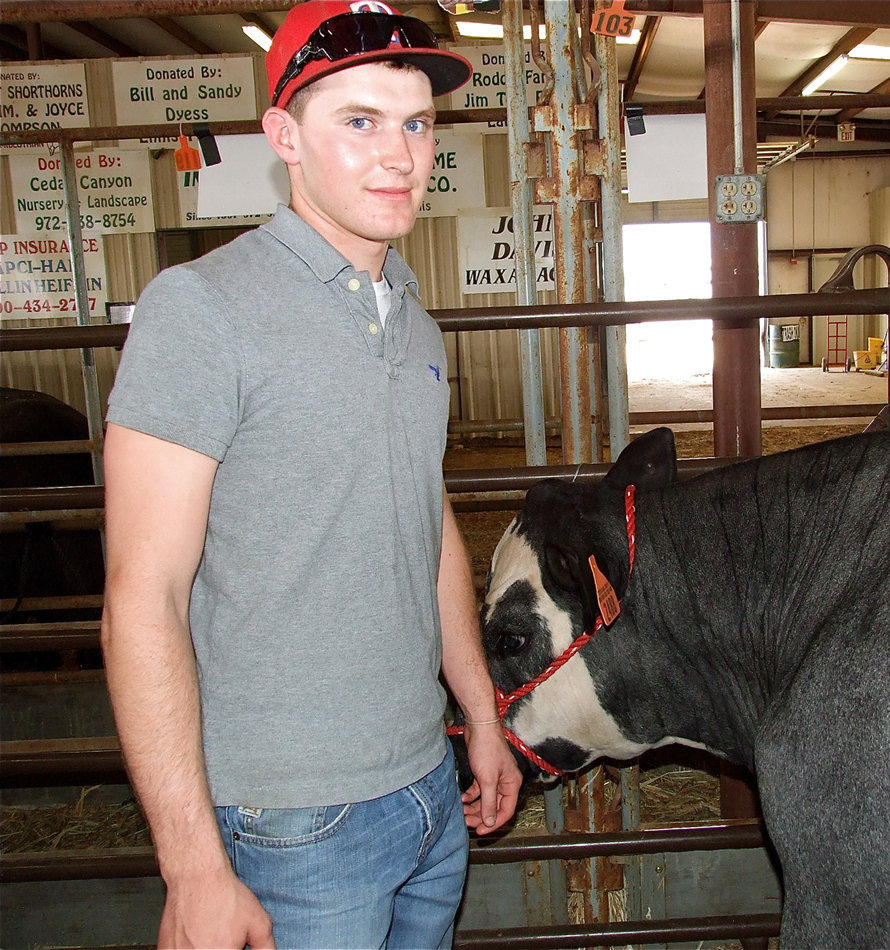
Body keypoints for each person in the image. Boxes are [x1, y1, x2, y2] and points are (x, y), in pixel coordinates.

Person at [100, 3, 522, 947]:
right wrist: (193, 867)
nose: (399, 156)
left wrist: (479, 713)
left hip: (425, 789)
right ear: (285, 137)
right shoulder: (202, 310)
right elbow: (143, 594)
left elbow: (429, 522)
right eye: (360, 122)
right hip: (293, 821)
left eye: (416, 124)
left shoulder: (415, 320)